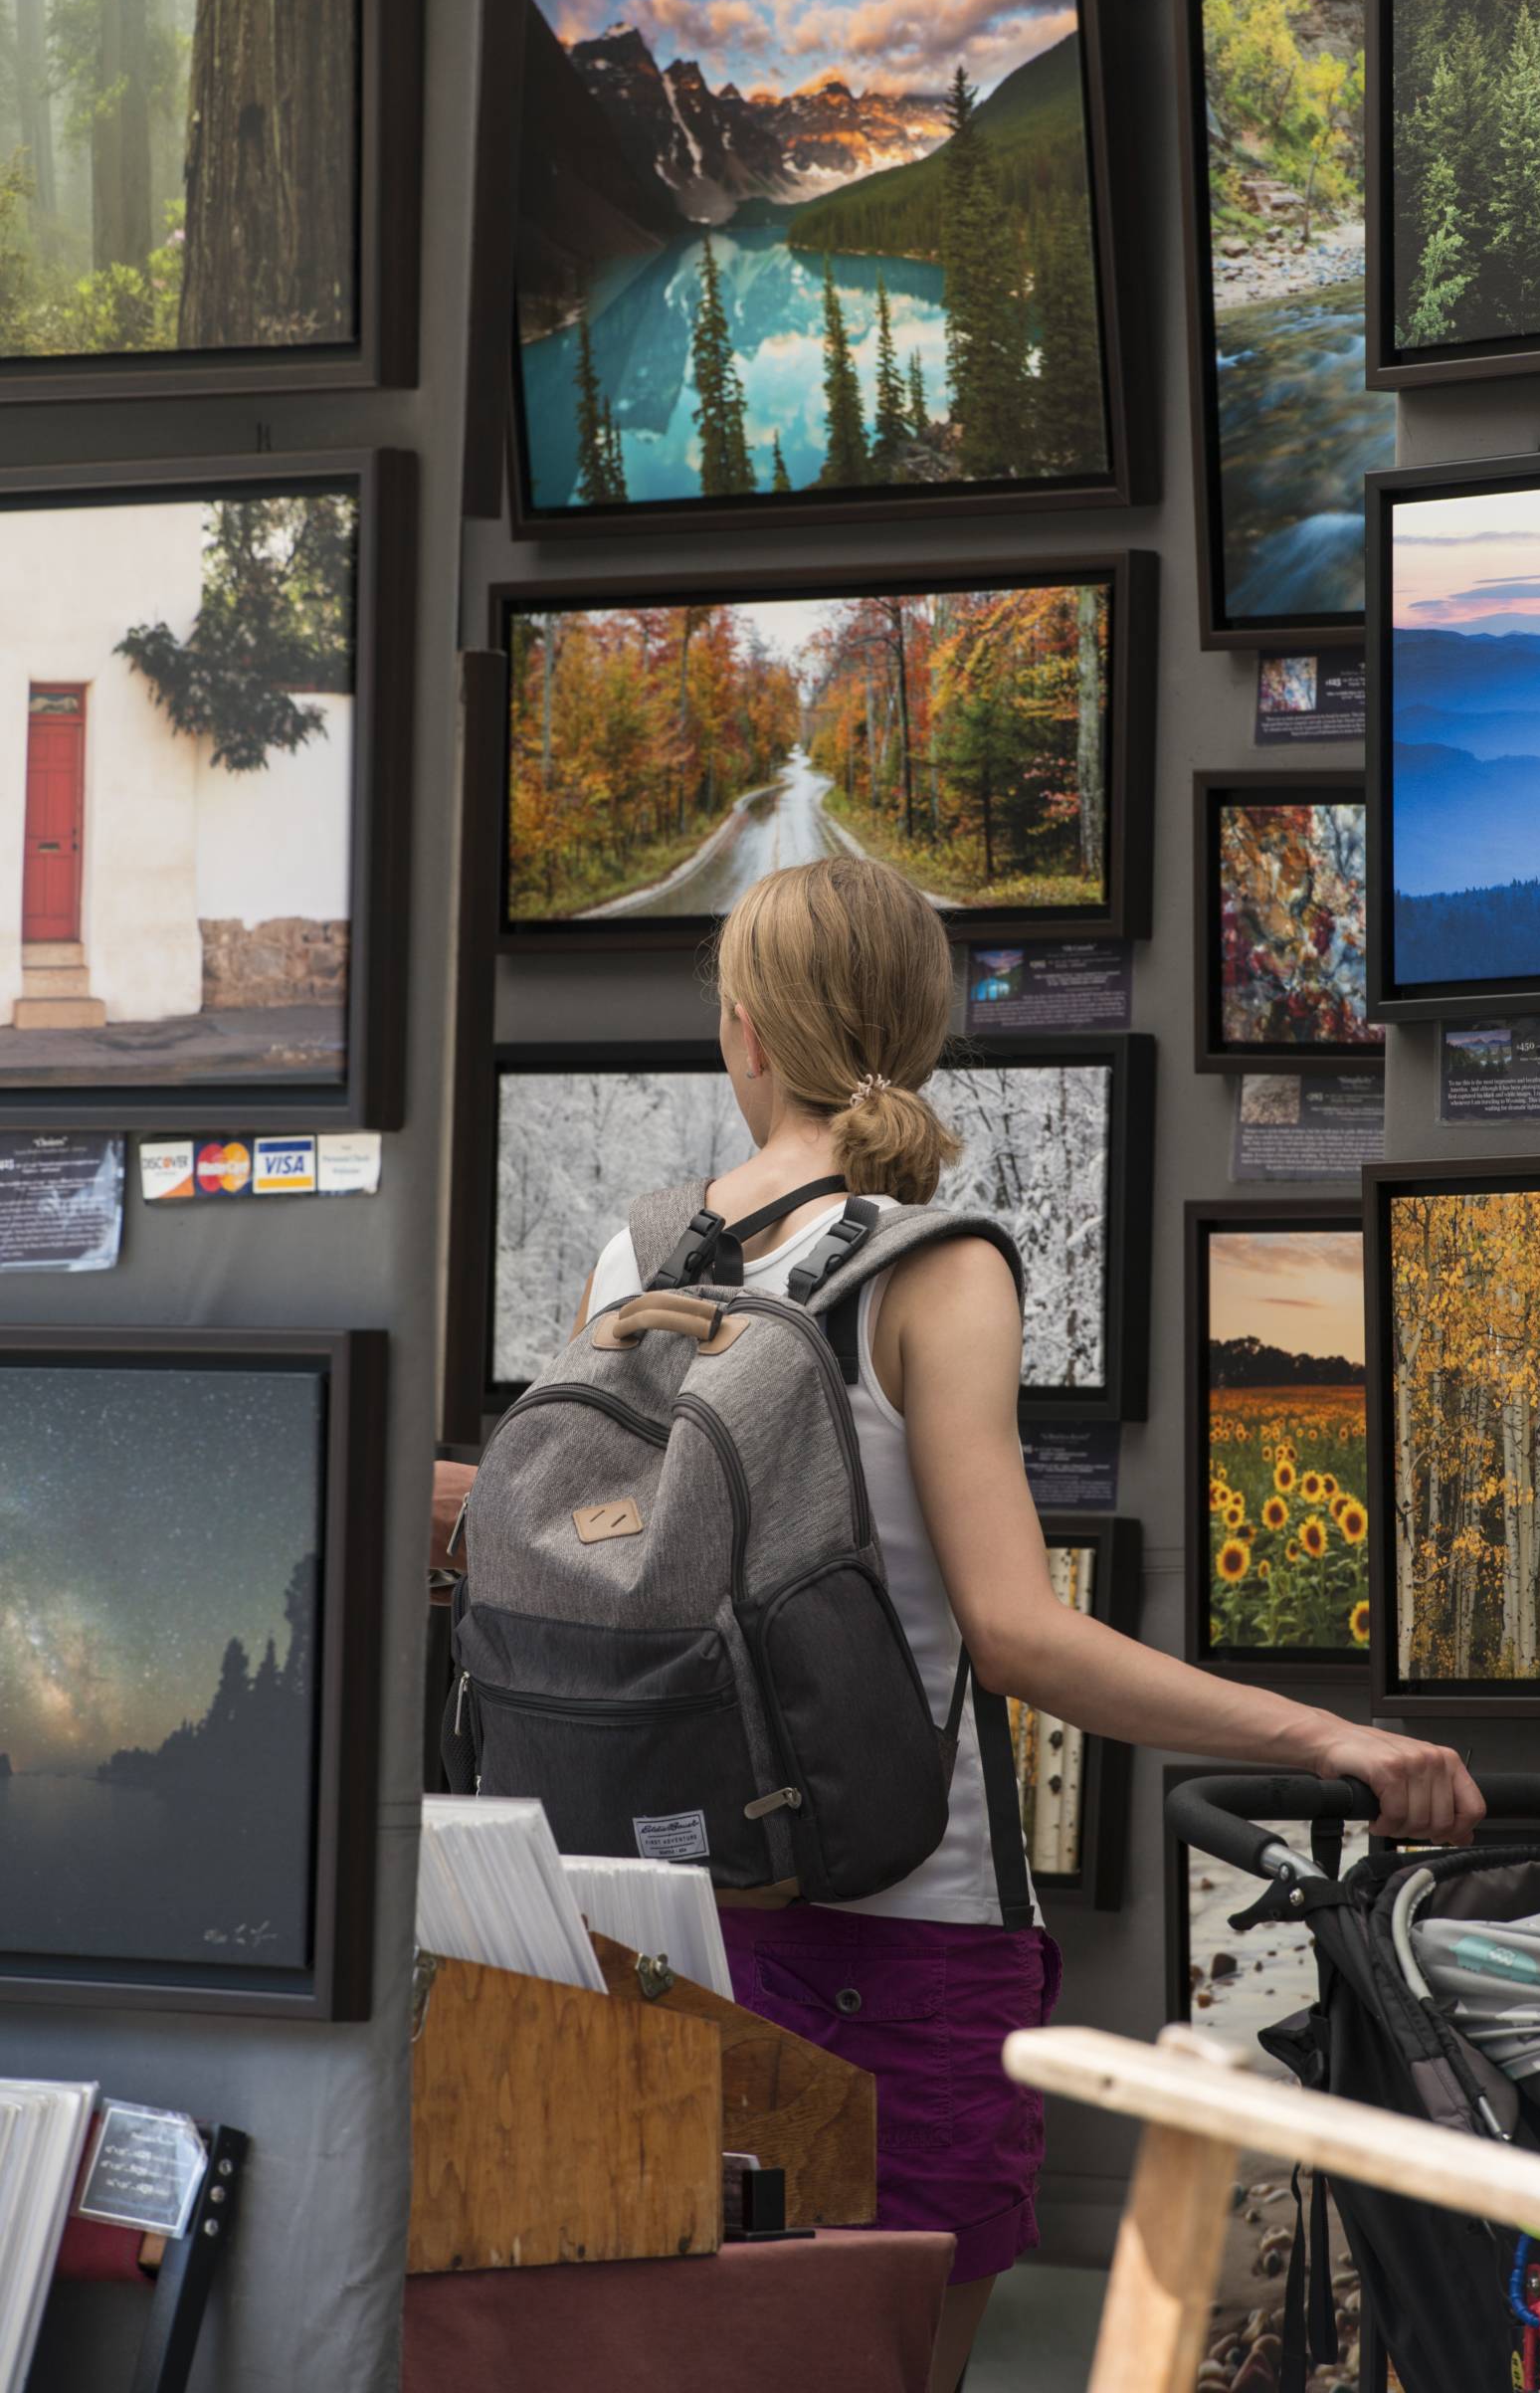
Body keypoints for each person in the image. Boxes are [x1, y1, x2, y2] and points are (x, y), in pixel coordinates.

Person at [569, 856, 1483, 2393]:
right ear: (925, 1030)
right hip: (904, 1934)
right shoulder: (936, 1265)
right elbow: (1017, 1635)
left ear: (743, 1031)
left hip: (668, 1926)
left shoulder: (637, 1263)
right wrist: (1327, 1733)